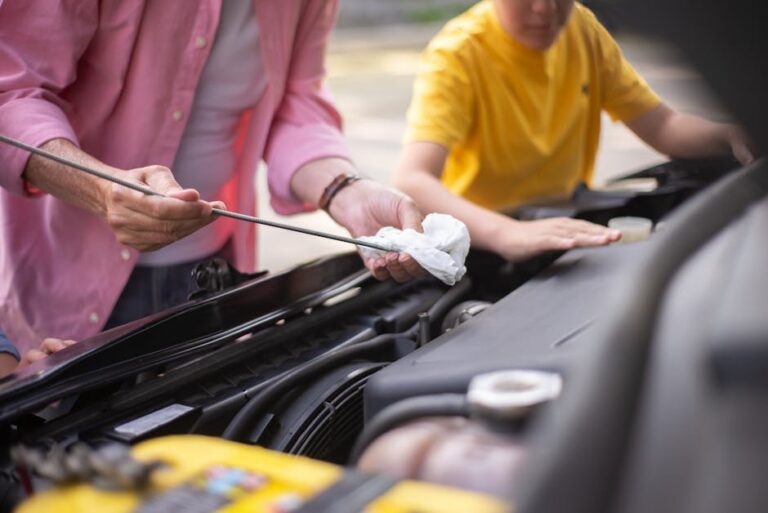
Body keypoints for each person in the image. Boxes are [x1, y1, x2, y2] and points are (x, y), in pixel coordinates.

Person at [0, 0, 425, 358]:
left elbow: (295, 101)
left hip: (213, 270)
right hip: (69, 277)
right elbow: (12, 93)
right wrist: (99, 189)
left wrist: (345, 190)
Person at [393, 0, 755, 262]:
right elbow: (413, 178)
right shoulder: (457, 54)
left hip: (567, 226)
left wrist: (733, 134)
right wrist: (507, 233)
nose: (545, 9)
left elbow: (662, 125)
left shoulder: (583, 30)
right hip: (484, 241)